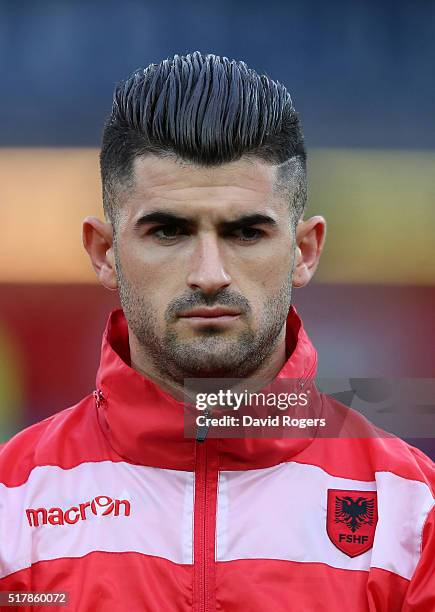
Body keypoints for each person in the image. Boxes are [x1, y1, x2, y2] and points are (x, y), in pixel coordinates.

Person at [0, 52, 433, 611]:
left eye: (246, 233)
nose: (209, 274)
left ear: (304, 251)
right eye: (169, 231)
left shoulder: (413, 513)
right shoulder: (11, 503)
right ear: (104, 252)